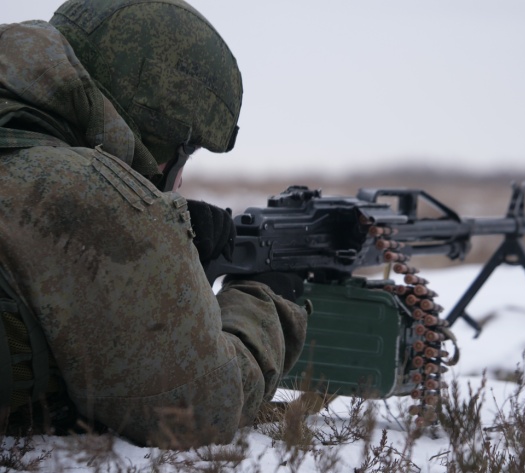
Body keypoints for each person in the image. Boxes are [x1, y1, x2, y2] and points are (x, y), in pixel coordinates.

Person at [0, 0, 309, 447]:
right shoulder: (85, 195)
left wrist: (168, 244)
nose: (178, 181)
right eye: (184, 154)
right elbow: (200, 407)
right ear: (151, 132)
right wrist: (267, 301)